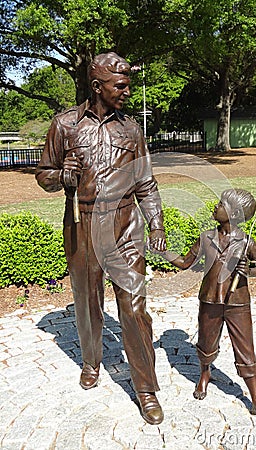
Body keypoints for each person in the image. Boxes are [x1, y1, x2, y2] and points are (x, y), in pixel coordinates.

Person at [36, 52, 166, 425]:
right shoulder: (64, 125)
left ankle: (145, 389)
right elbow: (43, 174)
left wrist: (155, 224)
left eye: (128, 84)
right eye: (120, 85)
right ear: (97, 87)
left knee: (134, 307)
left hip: (124, 225)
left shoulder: (132, 129)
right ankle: (91, 361)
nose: (127, 91)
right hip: (82, 224)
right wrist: (62, 176)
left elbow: (146, 182)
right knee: (87, 302)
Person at [157, 188, 256, 417]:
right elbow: (185, 262)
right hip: (210, 299)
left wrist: (249, 271)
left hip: (237, 302)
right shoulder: (206, 237)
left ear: (234, 214)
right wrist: (164, 253)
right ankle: (205, 374)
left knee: (245, 347)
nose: (216, 206)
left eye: (221, 204)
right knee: (206, 341)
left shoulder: (245, 241)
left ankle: (255, 397)